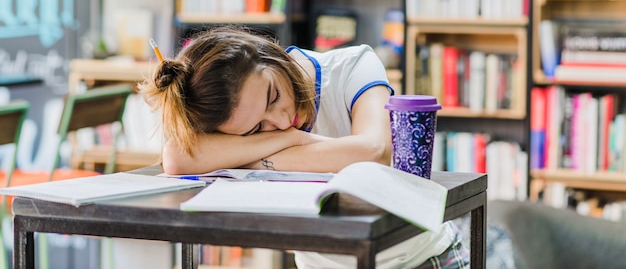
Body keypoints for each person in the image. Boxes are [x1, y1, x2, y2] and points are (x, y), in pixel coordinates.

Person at [139, 25, 469, 269]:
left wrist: (255, 154)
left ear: (269, 54)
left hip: (422, 259)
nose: (281, 120)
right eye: (257, 129)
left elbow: (374, 152)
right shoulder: (282, 130)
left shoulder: (354, 66)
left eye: (273, 97)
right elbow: (176, 157)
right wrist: (290, 140)